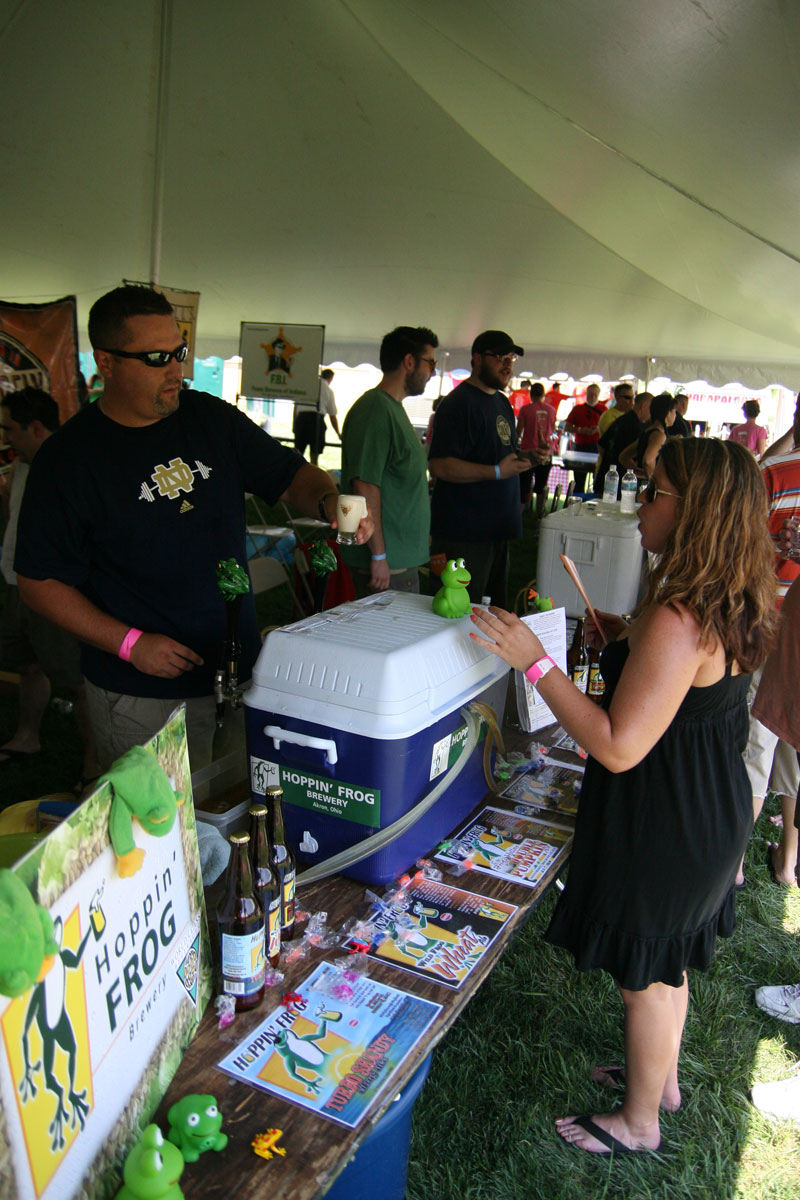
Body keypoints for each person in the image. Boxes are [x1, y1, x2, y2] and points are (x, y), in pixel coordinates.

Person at [470, 437, 777, 1155]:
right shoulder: (723, 594)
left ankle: (639, 1123)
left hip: (666, 816)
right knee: (669, 961)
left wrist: (535, 661)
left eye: (655, 491)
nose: (642, 502)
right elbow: (677, 688)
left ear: (692, 509)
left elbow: (616, 743)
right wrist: (624, 639)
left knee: (645, 976)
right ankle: (658, 1079)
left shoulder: (678, 618)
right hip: (707, 806)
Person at [14, 285, 372, 772]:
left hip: (239, 671)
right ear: (107, 361)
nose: (176, 370)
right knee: (161, 835)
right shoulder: (69, 460)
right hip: (139, 693)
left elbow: (290, 475)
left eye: (179, 352)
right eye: (157, 358)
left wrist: (327, 498)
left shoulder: (208, 418)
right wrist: (131, 644)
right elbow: (39, 582)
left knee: (235, 813)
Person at [0, 389, 99, 790]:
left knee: (76, 681)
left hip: (52, 592)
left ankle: (94, 762)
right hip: (12, 582)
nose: (5, 437)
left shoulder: (68, 467)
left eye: (9, 429)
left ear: (36, 428)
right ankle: (28, 736)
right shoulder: (22, 464)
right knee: (27, 665)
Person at [737, 409, 800, 886]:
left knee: (757, 742)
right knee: (791, 743)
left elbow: (740, 550)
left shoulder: (775, 476)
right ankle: (788, 859)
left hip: (772, 622)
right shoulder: (773, 472)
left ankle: (732, 862)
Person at [428, 330, 528, 608]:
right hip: (464, 534)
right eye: (499, 357)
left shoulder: (502, 402)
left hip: (498, 530)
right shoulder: (458, 404)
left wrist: (530, 458)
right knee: (457, 613)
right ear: (477, 358)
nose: (507, 364)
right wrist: (496, 472)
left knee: (494, 615)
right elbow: (440, 465)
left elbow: (501, 456)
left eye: (511, 358)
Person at [339, 326, 438, 596]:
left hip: (399, 560)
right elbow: (364, 488)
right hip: (387, 567)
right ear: (409, 362)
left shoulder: (393, 409)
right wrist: (379, 557)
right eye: (431, 362)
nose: (434, 372)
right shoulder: (375, 410)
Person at [593, 386, 646, 497]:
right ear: (617, 398)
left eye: (633, 397)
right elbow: (603, 445)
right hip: (613, 475)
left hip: (614, 474)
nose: (631, 401)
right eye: (627, 398)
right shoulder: (611, 417)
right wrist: (612, 462)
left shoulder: (626, 418)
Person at [516, 382, 555, 517]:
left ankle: (518, 517)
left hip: (528, 452)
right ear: (544, 395)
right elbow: (552, 430)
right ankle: (540, 517)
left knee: (523, 487)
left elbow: (518, 431)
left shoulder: (525, 409)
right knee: (541, 487)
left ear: (531, 394)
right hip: (546, 452)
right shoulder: (551, 410)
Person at [618, 392, 679, 477]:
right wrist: (653, 480)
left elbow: (623, 456)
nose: (675, 415)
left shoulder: (648, 432)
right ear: (667, 413)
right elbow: (648, 461)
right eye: (674, 411)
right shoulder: (659, 435)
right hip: (649, 486)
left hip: (641, 484)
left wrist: (637, 471)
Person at [563, 383, 606, 492]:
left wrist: (598, 429)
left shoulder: (604, 409)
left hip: (597, 447)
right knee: (579, 479)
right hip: (581, 447)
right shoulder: (578, 409)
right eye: (590, 394)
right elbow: (567, 427)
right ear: (586, 394)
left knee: (597, 479)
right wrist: (580, 430)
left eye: (595, 395)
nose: (592, 397)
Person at [293, 368, 340, 466]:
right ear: (330, 378)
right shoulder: (328, 390)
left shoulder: (306, 386)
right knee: (314, 457)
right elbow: (332, 415)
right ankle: (313, 476)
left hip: (301, 420)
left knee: (297, 454)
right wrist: (338, 433)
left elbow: (296, 407)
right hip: (317, 421)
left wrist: (294, 425)